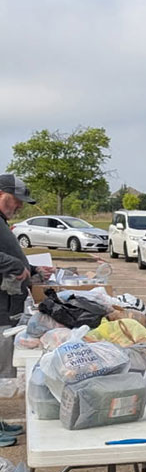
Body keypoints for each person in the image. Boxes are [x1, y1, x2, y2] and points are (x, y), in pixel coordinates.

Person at [0, 174, 53, 445]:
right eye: (15, 200)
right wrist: (14, 267)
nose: (19, 206)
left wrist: (32, 269)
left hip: (8, 306)